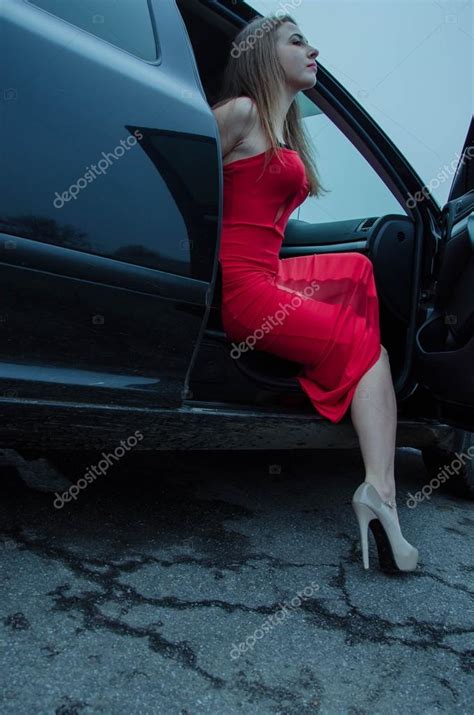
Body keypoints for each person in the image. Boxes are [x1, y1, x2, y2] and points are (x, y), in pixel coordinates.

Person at [212, 14, 418, 573]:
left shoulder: (278, 131)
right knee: (369, 352)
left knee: (356, 268)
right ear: (260, 54)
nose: (313, 49)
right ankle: (381, 492)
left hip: (270, 273)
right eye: (297, 40)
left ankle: (338, 387)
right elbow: (179, 168)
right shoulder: (241, 113)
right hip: (245, 292)